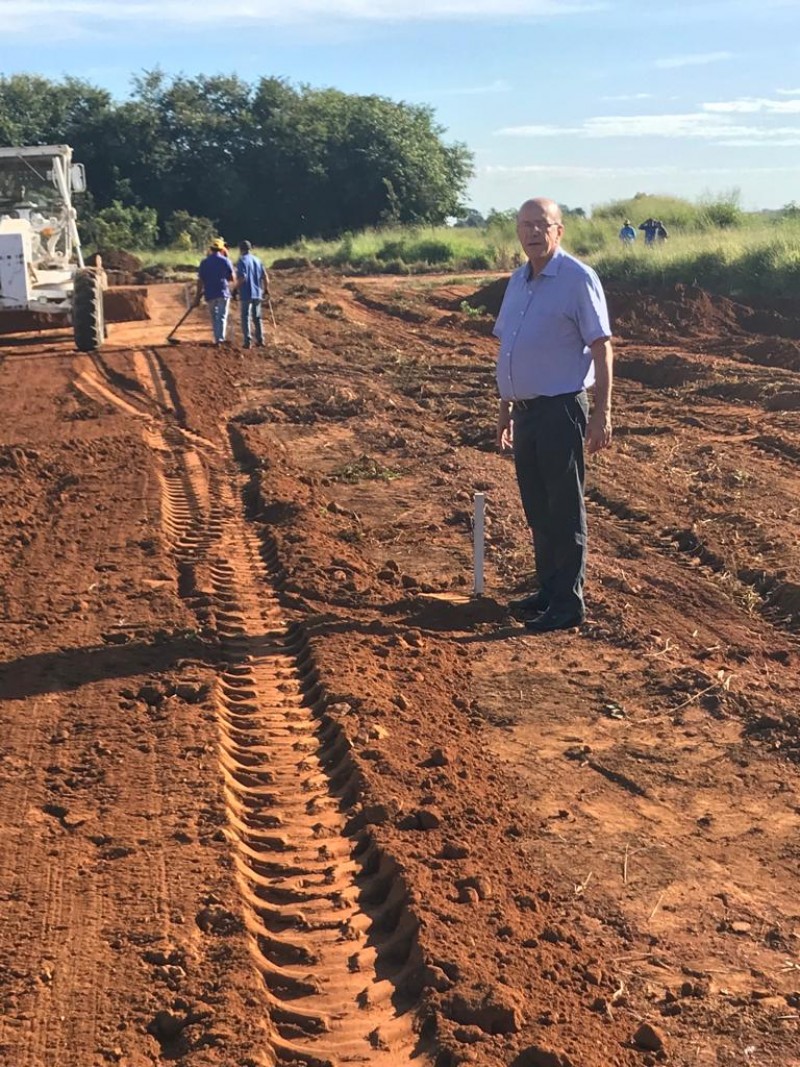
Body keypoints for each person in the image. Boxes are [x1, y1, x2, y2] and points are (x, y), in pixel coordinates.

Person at [494, 197, 614, 634]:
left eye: (541, 225)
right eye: (525, 225)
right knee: (537, 508)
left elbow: (601, 347)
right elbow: (509, 347)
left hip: (561, 409)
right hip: (525, 412)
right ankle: (548, 591)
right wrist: (506, 408)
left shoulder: (578, 279)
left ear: (559, 230)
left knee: (564, 509)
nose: (532, 233)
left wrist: (601, 413)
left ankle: (568, 603)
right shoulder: (517, 281)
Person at [195, 237, 235, 345]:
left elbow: (200, 280)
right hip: (223, 291)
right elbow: (232, 278)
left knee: (214, 316)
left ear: (211, 249)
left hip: (210, 293)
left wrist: (197, 296)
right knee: (222, 316)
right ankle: (220, 339)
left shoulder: (204, 262)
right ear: (222, 249)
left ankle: (217, 338)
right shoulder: (226, 261)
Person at [235, 240, 270, 349]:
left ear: (241, 249)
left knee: (245, 317)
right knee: (257, 317)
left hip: (246, 293)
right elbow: (265, 277)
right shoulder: (258, 260)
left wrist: (235, 289)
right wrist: (266, 289)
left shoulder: (242, 261)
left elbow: (243, 278)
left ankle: (247, 341)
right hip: (257, 293)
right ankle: (260, 340)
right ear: (250, 249)